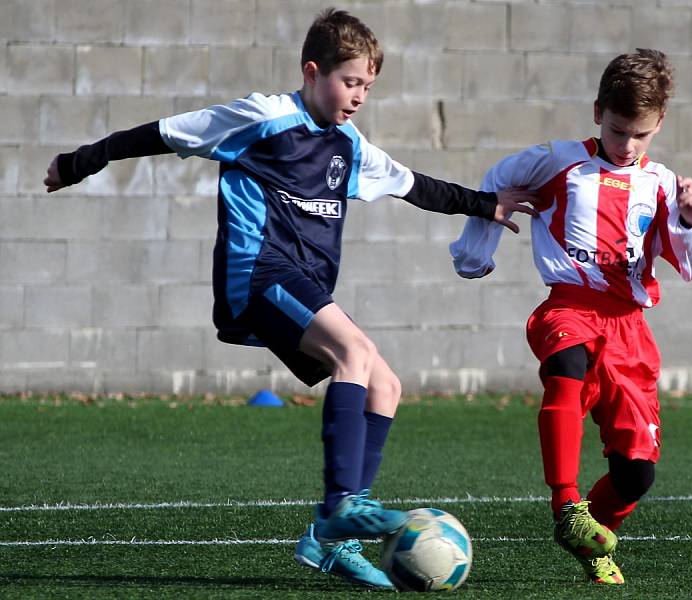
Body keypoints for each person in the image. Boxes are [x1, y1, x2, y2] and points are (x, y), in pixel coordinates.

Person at [43, 7, 536, 591]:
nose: (358, 97)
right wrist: (80, 162)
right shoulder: (264, 117)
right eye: (350, 82)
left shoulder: (348, 145)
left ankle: (332, 541)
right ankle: (339, 508)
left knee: (386, 385)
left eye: (368, 87)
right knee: (355, 350)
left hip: (302, 286)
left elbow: (414, 186)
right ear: (312, 71)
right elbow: (167, 131)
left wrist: (486, 205)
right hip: (255, 274)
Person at [449, 49, 692, 585]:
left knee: (637, 472)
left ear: (659, 123)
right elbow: (498, 178)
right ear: (598, 112)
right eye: (619, 132)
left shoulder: (663, 184)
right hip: (569, 305)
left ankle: (592, 533)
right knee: (566, 364)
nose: (628, 146)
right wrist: (474, 252)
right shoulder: (559, 161)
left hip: (630, 331)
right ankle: (566, 502)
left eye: (640, 135)